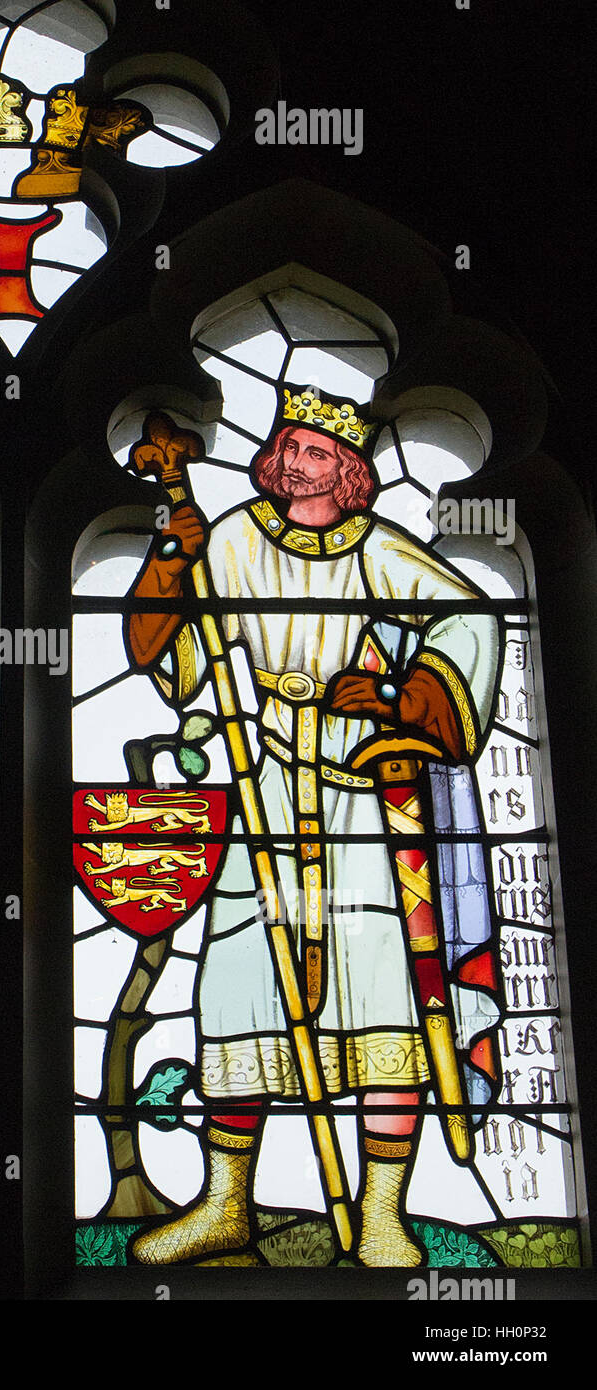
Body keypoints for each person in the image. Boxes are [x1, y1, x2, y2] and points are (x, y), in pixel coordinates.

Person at [126, 389, 500, 1266]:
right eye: (287, 444)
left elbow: (471, 618)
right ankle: (225, 1205)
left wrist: (405, 698)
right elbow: (182, 659)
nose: (294, 461)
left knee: (383, 1007)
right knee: (237, 993)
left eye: (315, 451)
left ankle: (378, 1216)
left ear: (350, 471)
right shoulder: (234, 538)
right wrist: (170, 574)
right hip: (261, 785)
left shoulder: (380, 550)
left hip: (356, 797)